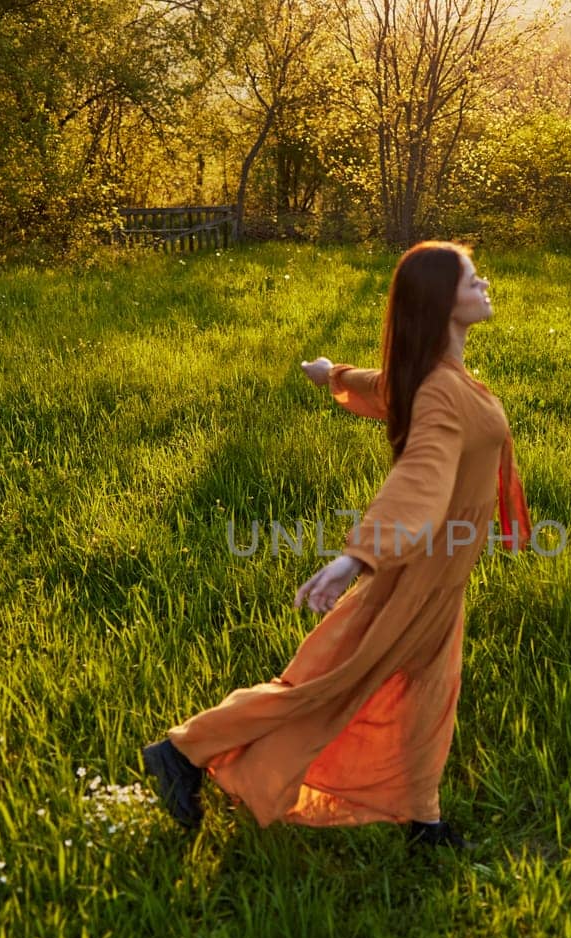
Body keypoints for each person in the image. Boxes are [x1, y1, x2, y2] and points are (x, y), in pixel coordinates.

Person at [141, 240, 533, 850]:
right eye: (472, 280)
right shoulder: (440, 392)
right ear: (440, 302)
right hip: (416, 570)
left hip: (441, 575)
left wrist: (334, 375)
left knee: (429, 693)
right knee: (334, 683)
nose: (484, 286)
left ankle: (421, 820)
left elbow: (390, 386)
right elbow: (419, 479)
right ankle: (183, 751)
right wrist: (357, 556)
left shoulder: (435, 379)